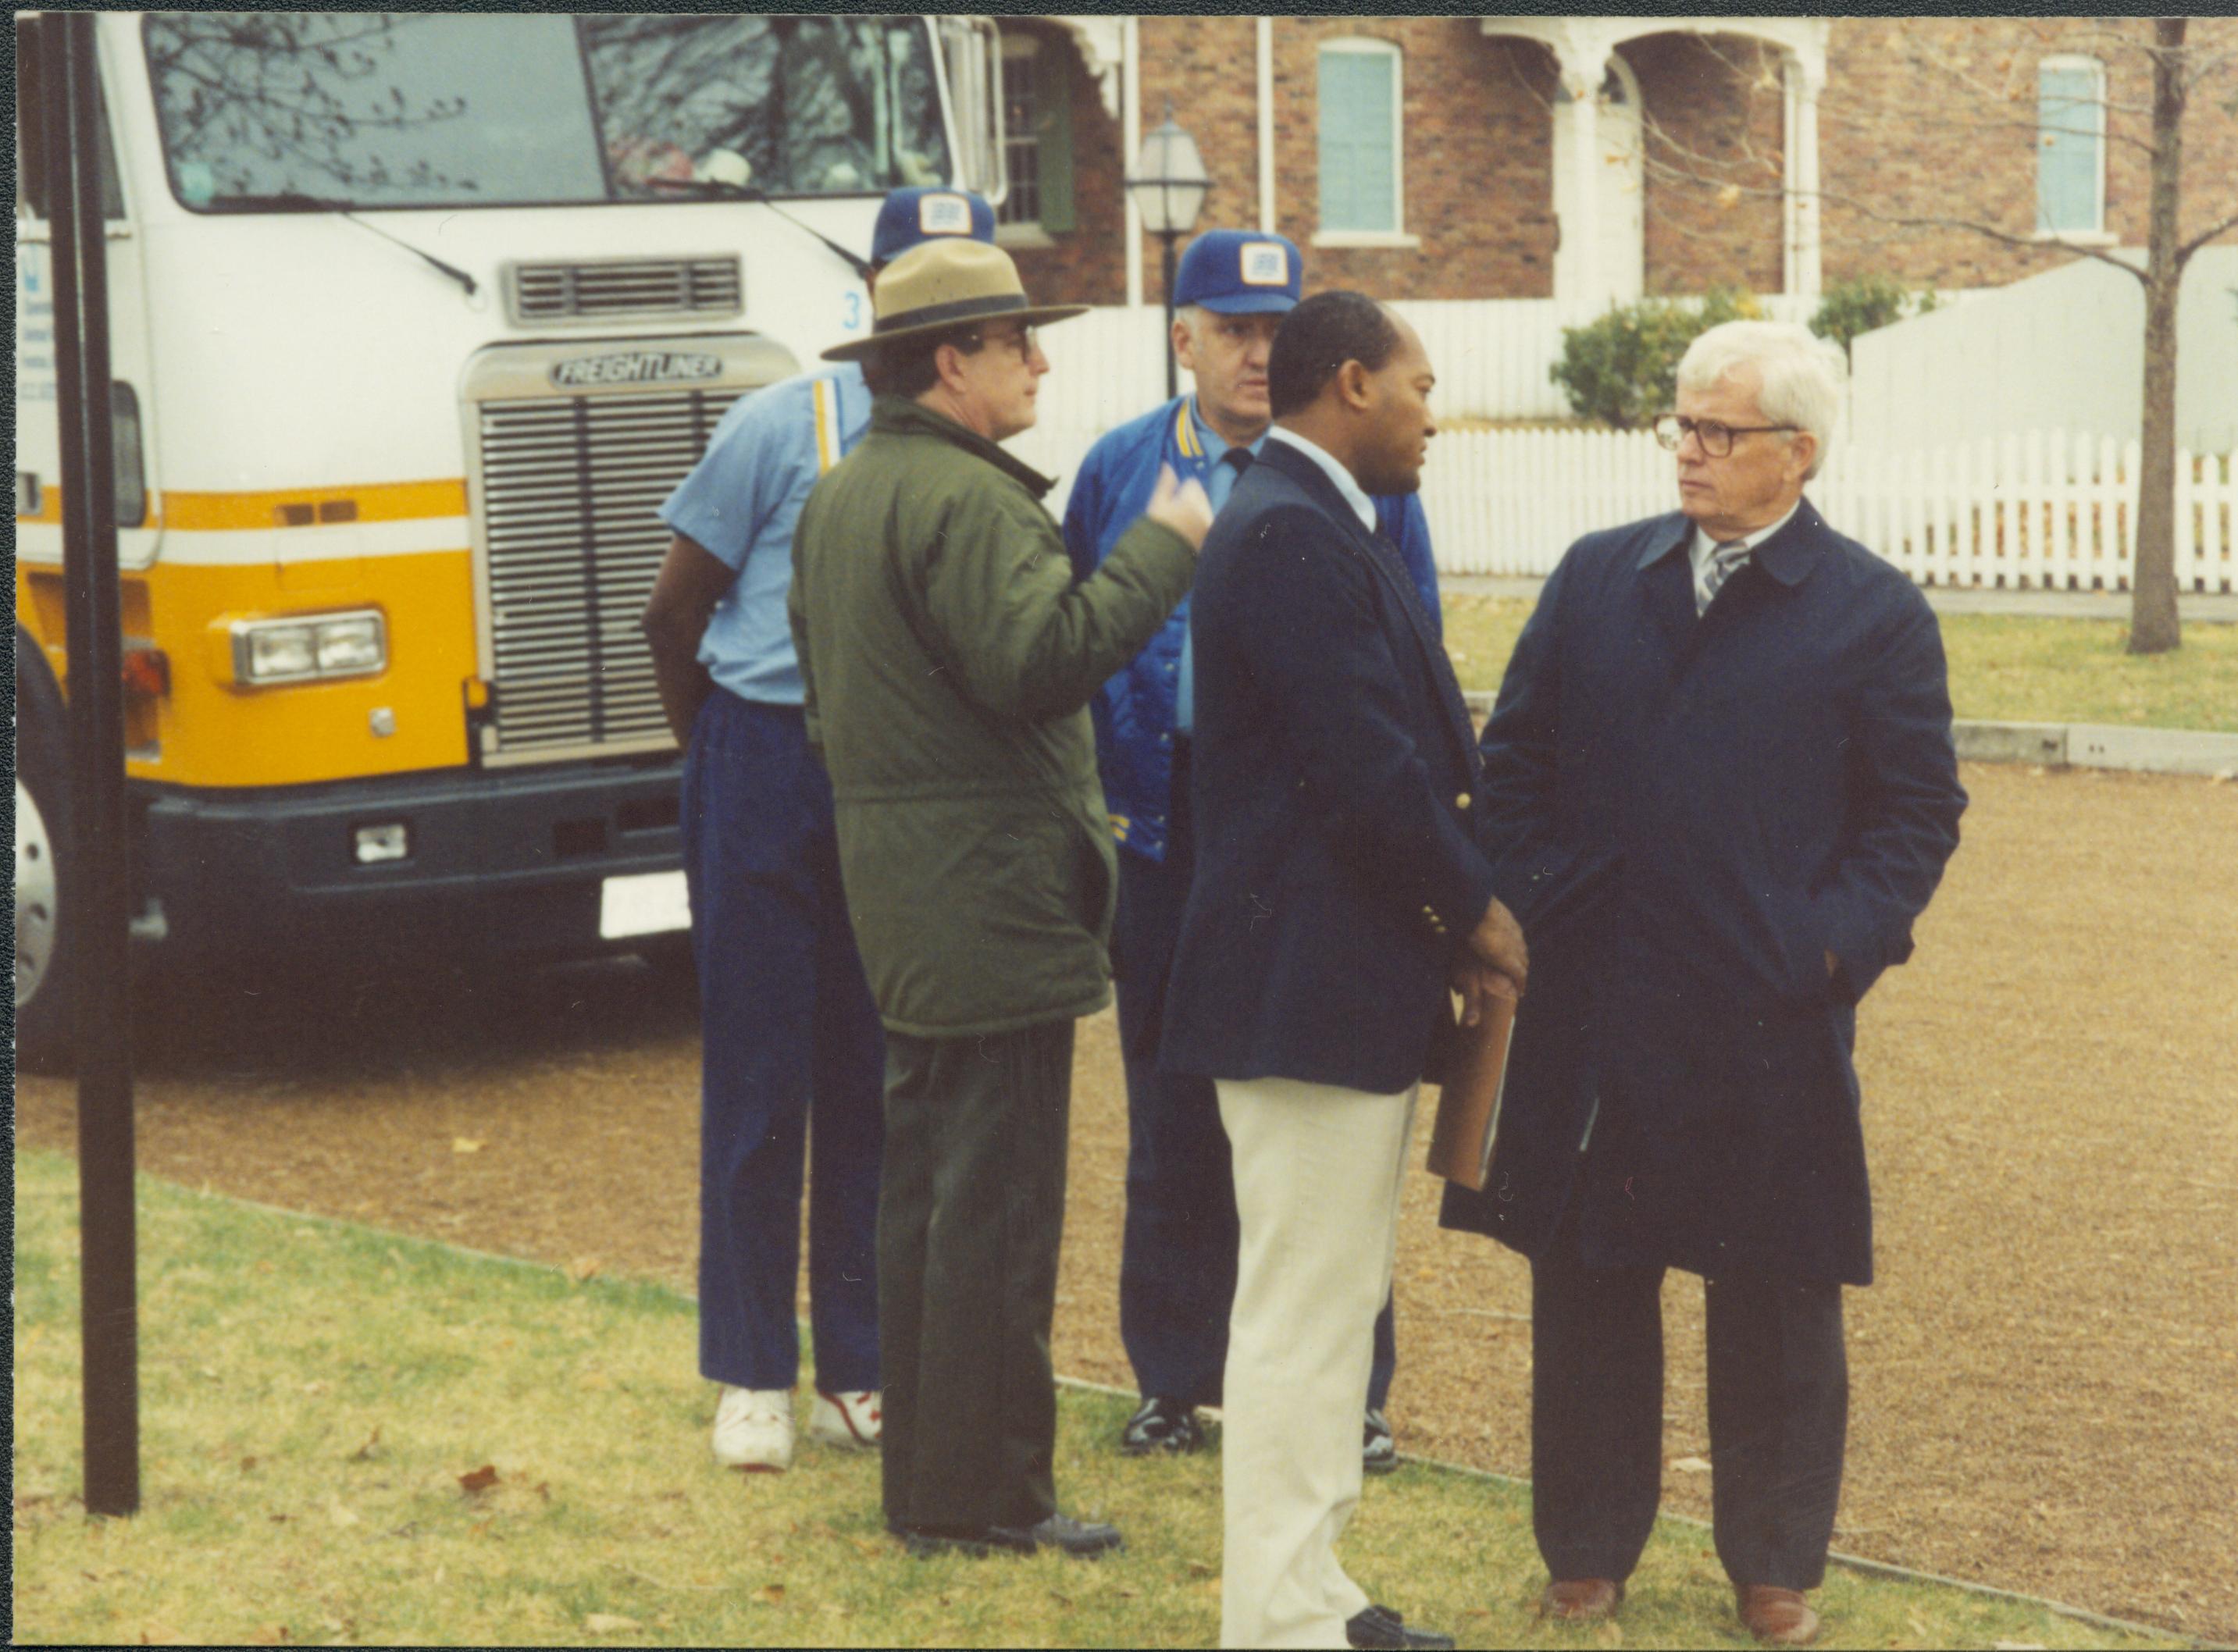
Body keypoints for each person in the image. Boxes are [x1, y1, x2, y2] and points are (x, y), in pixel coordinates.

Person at [1442, 320, 1967, 1647]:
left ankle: (1773, 1567)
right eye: (1678, 426)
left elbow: (1913, 815)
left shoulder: (1872, 612)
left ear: (1796, 455)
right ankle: (1585, 1555)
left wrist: (1826, 952)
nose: (1687, 450)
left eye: (1717, 432)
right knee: (1587, 1283)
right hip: (1597, 1005)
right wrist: (1539, 901)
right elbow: (1514, 764)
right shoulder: (1593, 576)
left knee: (1778, 1297)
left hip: (1764, 1018)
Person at [787, 237, 1213, 1558]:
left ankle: (936, 1490)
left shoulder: (848, 495)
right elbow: (1043, 660)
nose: (1039, 360)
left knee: (930, 1201)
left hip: (915, 900)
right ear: (946, 363)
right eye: (1015, 341)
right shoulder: (965, 501)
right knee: (997, 1211)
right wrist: (1165, 546)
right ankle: (989, 1504)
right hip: (990, 905)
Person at [1160, 291, 1530, 1651]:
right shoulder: (1292, 535)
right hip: (1297, 990)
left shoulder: (1308, 521)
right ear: (1356, 385)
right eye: (1422, 388)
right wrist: (1479, 916)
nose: (1436, 416)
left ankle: (1309, 1592)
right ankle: (1276, 1619)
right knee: (1304, 1321)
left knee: (1325, 1307)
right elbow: (1365, 769)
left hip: (1322, 983)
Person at [1061, 230, 1436, 1470]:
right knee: (1171, 1104)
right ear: (1183, 339)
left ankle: (1354, 1390)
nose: (1255, 352)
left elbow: (1410, 650)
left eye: (1274, 330)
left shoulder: (1369, 482)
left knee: (1326, 1103)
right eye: (1230, 329)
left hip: (1297, 821)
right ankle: (1174, 1377)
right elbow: (1072, 647)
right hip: (1161, 820)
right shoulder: (1121, 467)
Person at [641, 187, 997, 1474]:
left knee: (874, 1074)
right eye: (914, 278)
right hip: (764, 758)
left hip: (892, 780)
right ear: (876, 290)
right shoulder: (776, 422)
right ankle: (749, 1370)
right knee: (756, 1073)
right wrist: (727, 766)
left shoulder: (977, 444)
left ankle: (858, 1362)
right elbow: (671, 613)